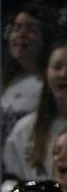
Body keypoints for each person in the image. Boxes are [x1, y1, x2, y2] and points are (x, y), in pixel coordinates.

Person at [10, 43, 67, 182]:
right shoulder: (23, 130)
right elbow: (11, 183)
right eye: (57, 67)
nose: (64, 73)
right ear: (46, 72)